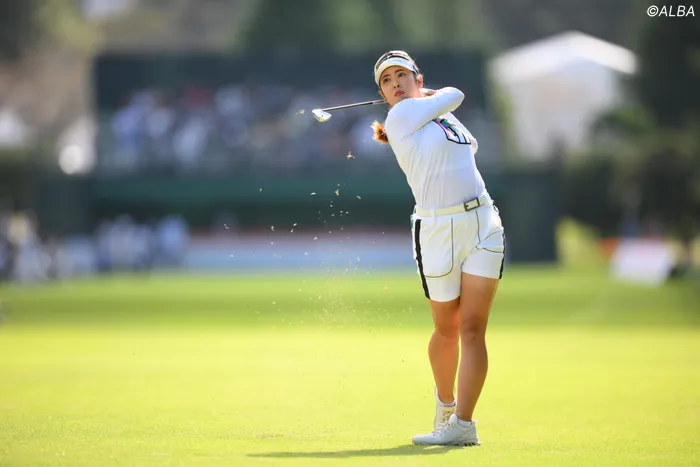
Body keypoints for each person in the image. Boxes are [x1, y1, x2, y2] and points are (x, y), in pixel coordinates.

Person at [371, 51, 506, 446]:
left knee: (473, 329)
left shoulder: (438, 116)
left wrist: (428, 102)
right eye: (387, 81)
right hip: (436, 230)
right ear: (383, 95)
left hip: (483, 222)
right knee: (447, 328)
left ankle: (463, 424)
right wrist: (426, 96)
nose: (395, 83)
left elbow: (469, 146)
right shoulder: (400, 117)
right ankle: (445, 407)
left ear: (417, 78)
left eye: (402, 75)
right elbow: (456, 93)